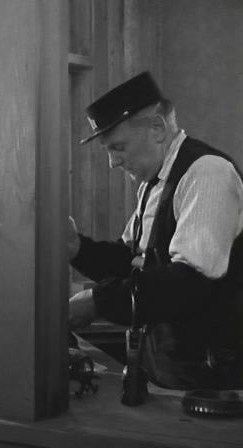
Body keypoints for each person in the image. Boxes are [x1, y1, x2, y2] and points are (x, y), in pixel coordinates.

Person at [68, 71, 243, 390]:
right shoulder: (155, 183)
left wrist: (98, 301)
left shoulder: (207, 173)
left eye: (118, 147)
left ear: (158, 128)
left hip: (211, 383)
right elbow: (132, 262)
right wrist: (76, 248)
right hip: (167, 370)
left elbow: (189, 282)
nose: (113, 162)